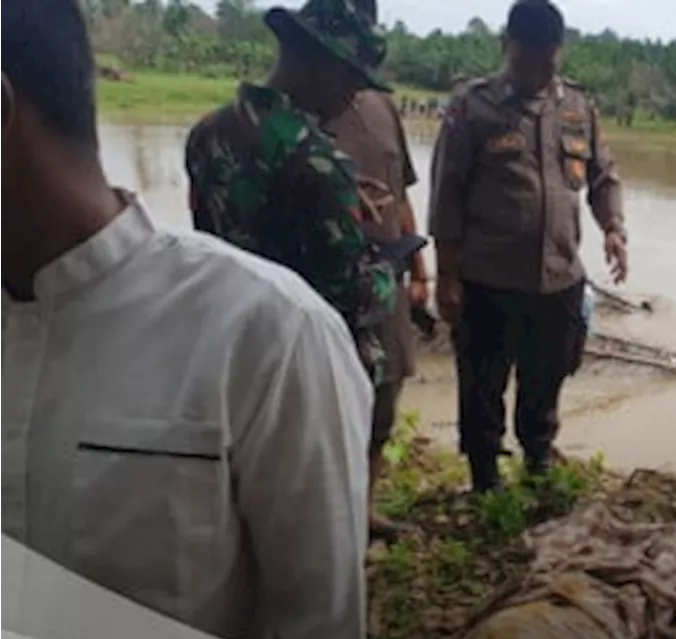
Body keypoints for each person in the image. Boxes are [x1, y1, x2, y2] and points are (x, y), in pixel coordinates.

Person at [0, 0, 370, 639]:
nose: (352, 91)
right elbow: (353, 275)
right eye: (348, 73)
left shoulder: (274, 332)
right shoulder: (319, 162)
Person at [429, 0, 628, 494]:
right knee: (481, 385)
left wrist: (614, 228)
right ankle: (484, 477)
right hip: (487, 278)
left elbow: (603, 176)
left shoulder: (577, 108)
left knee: (547, 378)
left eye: (545, 62)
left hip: (558, 276)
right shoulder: (471, 107)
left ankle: (538, 461)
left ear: (557, 53)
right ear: (506, 47)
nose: (534, 73)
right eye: (524, 62)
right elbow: (446, 194)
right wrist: (447, 275)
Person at [185, 0, 396, 389]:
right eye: (352, 80)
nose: (353, 98)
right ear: (319, 63)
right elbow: (352, 294)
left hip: (229, 346)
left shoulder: (207, 132)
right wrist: (388, 269)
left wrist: (342, 195)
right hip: (301, 368)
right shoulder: (317, 161)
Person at [321, 0, 425, 543]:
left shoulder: (384, 105)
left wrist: (421, 272)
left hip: (385, 281)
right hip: (324, 289)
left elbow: (402, 192)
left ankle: (363, 511)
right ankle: (326, 521)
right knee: (323, 409)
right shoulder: (299, 107)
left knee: (383, 404)